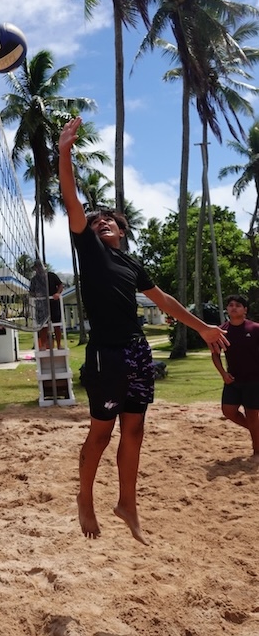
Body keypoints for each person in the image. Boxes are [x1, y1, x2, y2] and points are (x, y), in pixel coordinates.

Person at [58, 116, 229, 545]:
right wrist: (64, 152)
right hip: (106, 353)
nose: (101, 224)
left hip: (135, 352)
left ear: (123, 229)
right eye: (96, 222)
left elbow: (165, 302)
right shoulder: (91, 251)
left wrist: (205, 327)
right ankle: (85, 496)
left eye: (109, 221)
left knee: (134, 429)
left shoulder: (132, 264)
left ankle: (127, 502)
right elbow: (72, 202)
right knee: (102, 430)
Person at [211, 294, 259, 462]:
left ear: (245, 310)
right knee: (228, 411)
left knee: (253, 416)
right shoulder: (221, 330)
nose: (233, 307)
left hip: (254, 380)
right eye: (230, 305)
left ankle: (257, 452)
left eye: (238, 305)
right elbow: (215, 355)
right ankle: (256, 430)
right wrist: (223, 374)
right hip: (232, 380)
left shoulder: (254, 329)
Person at [29, 261, 64, 350]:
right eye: (37, 267)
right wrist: (36, 295)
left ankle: (59, 345)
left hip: (54, 303)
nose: (38, 269)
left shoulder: (52, 275)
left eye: (40, 266)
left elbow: (60, 285)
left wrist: (57, 293)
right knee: (43, 325)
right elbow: (31, 292)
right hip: (41, 305)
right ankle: (43, 345)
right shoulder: (34, 279)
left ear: (44, 267)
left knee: (56, 325)